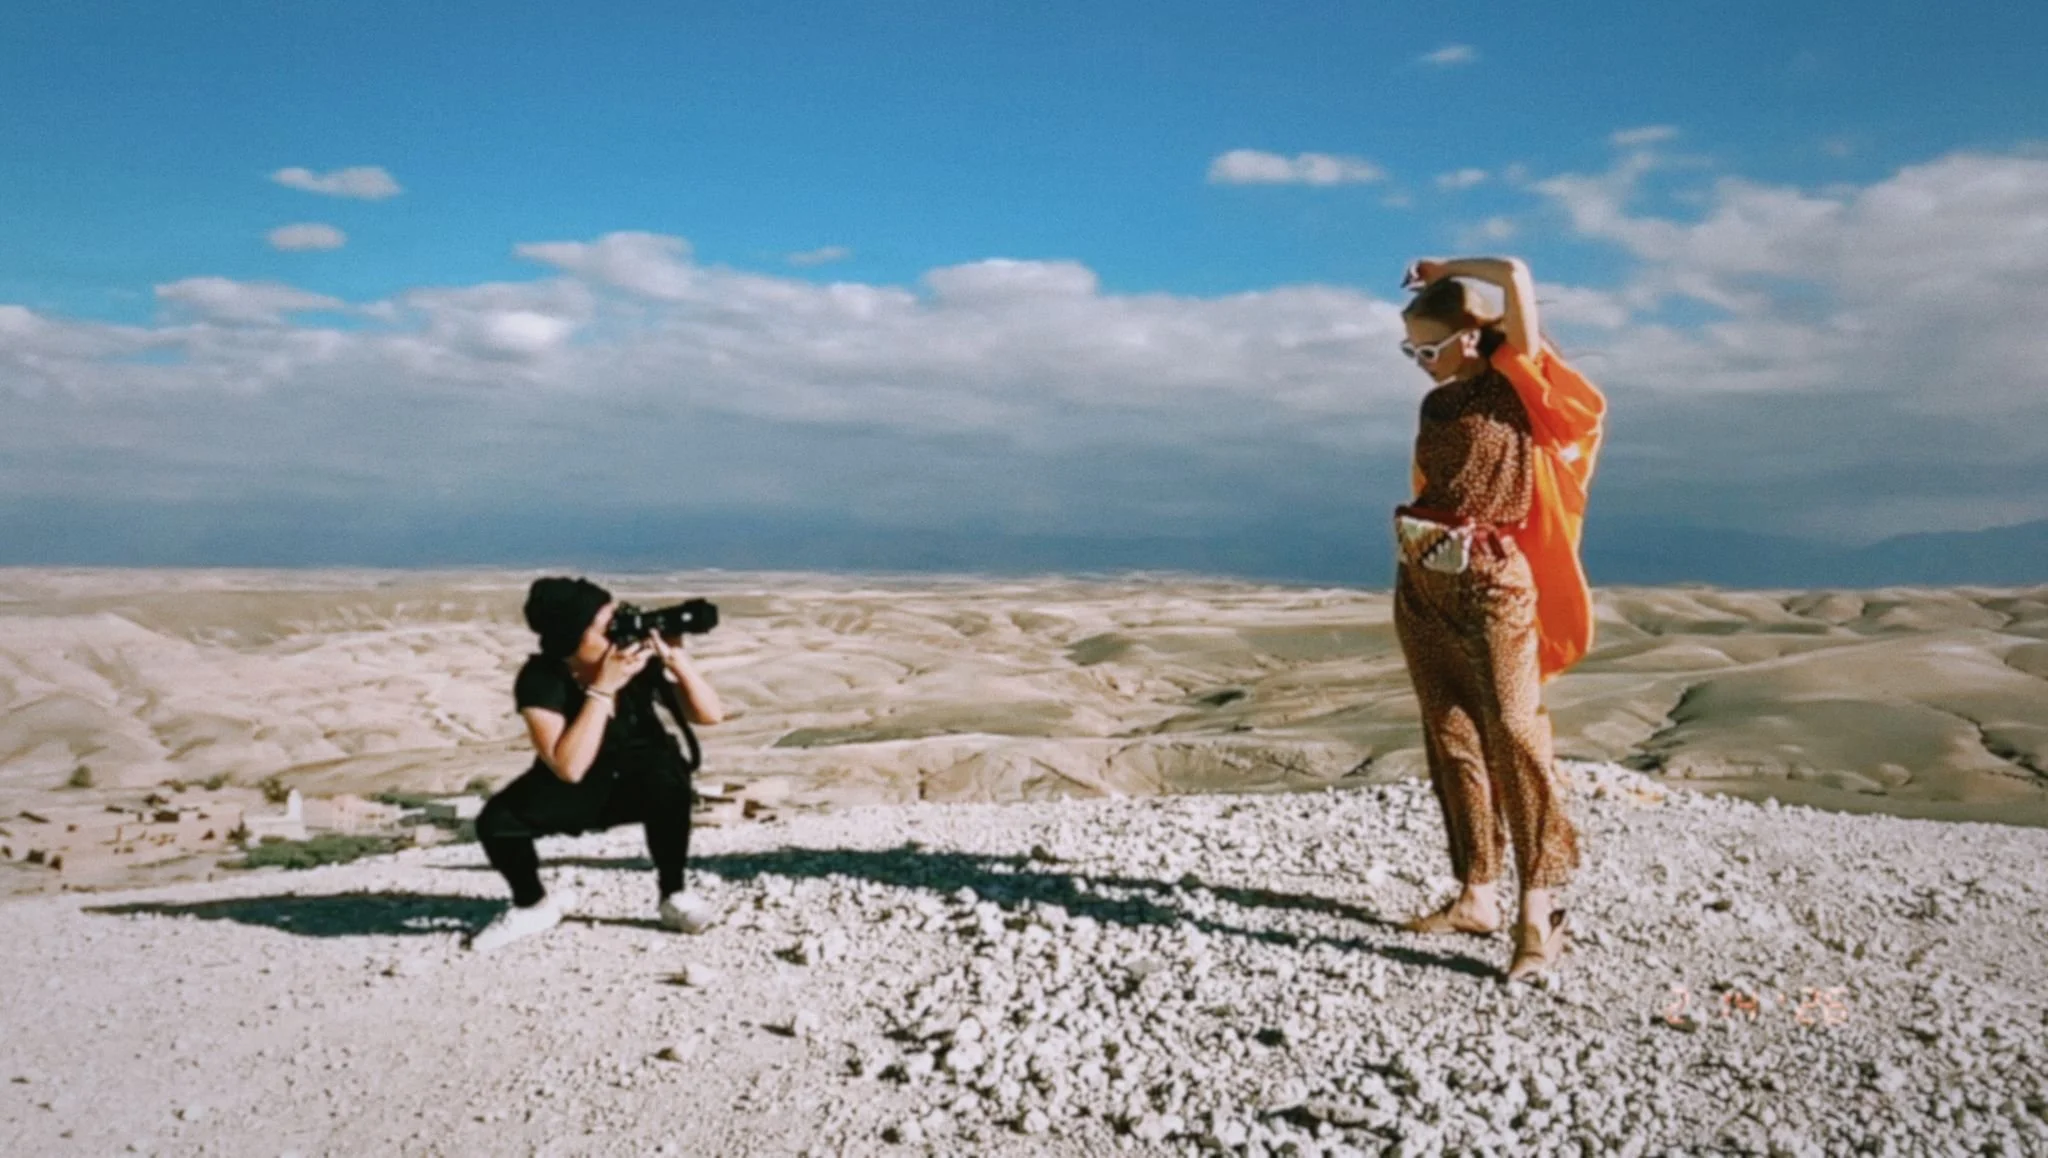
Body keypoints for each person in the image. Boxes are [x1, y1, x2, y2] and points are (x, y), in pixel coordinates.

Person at [1390, 256, 1605, 981]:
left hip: (1494, 583)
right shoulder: (1436, 405)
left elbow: (1514, 273)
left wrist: (1450, 269)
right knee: (1449, 733)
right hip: (1423, 577)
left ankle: (1537, 914)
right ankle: (1476, 893)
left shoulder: (1518, 386)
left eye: (1429, 349)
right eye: (1408, 352)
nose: (1419, 364)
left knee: (1514, 731)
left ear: (1471, 339)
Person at [469, 576, 726, 953]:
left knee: (669, 777)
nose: (617, 634)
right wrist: (603, 689)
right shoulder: (542, 678)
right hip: (577, 786)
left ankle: (674, 893)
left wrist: (677, 661)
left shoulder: (636, 666)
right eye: (606, 627)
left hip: (638, 781)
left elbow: (710, 715)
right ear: (572, 636)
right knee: (496, 821)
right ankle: (533, 905)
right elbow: (568, 767)